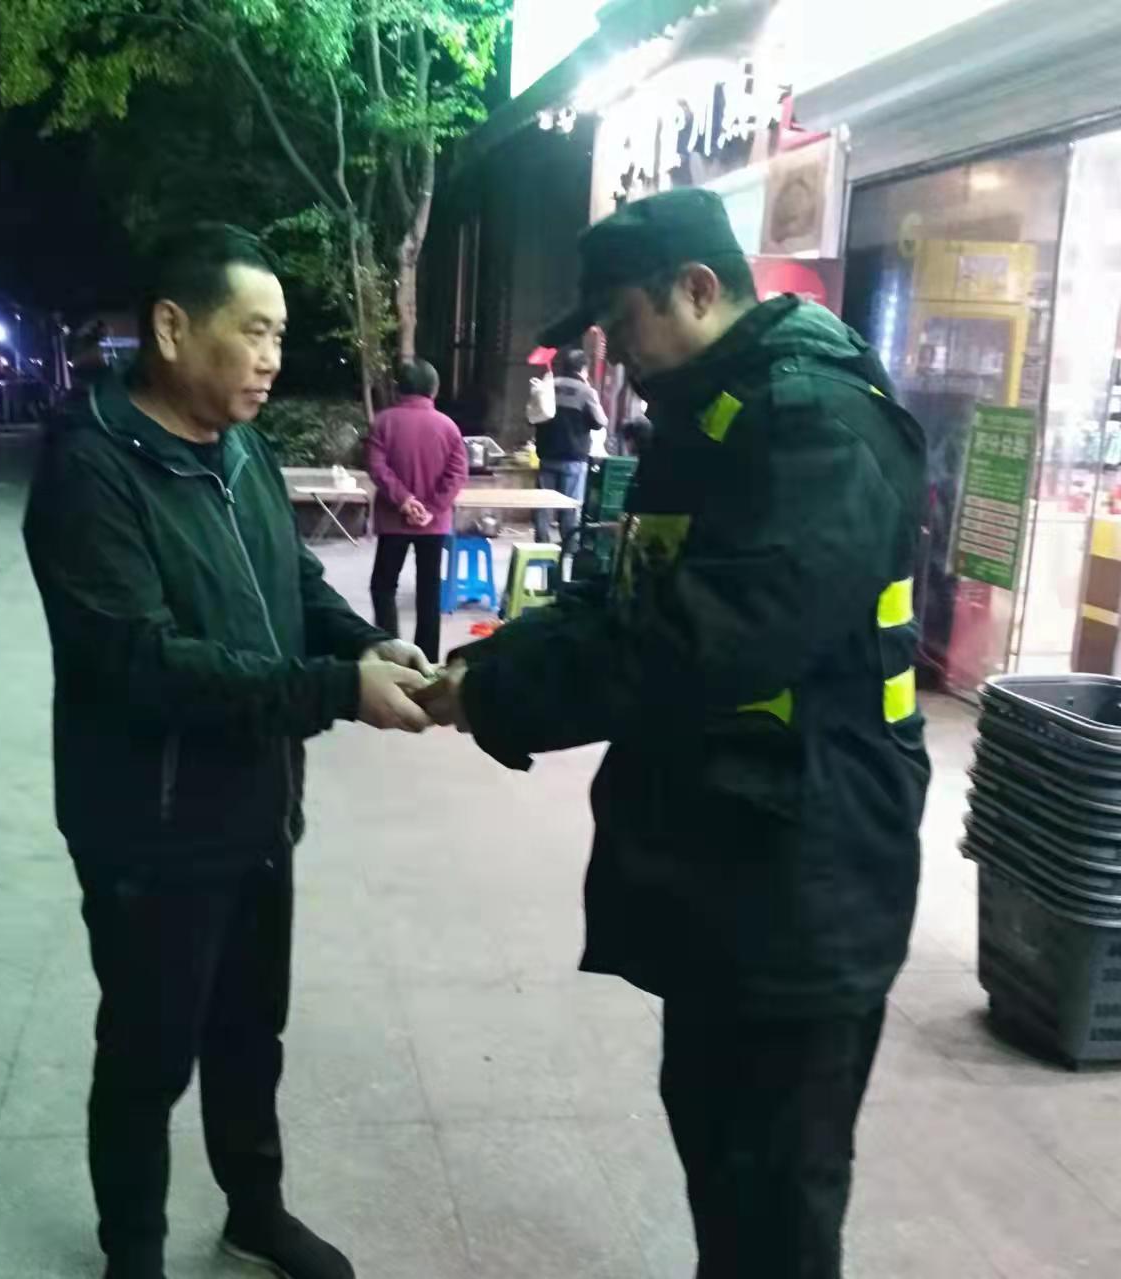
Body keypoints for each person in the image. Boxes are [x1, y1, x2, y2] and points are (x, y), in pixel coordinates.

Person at [416, 187, 930, 1279]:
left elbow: (704, 642)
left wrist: (502, 699)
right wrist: (489, 664)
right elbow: (629, 592)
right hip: (733, 868)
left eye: (625, 322)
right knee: (718, 1145)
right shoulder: (716, 416)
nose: (617, 354)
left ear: (697, 289)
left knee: (773, 1193)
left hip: (807, 875)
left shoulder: (815, 424)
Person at [23, 222, 434, 1279]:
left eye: (279, 335)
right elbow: (141, 663)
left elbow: (292, 581)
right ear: (172, 327)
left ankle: (254, 1209)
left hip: (256, 805)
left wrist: (362, 642)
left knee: (251, 1032)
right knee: (148, 1053)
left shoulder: (240, 448)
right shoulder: (91, 468)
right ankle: (134, 1252)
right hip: (150, 827)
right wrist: (335, 691)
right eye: (252, 331)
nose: (271, 358)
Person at [365, 358, 468, 663]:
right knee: (429, 590)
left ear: (400, 389)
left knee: (383, 586)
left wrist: (404, 500)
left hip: (393, 521)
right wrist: (432, 508)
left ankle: (390, 652)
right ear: (433, 390)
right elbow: (457, 473)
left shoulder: (383, 422)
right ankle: (427, 660)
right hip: (433, 525)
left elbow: (376, 466)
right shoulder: (448, 427)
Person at [531, 347, 606, 551]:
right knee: (570, 506)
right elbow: (600, 422)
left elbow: (534, 416)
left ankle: (541, 544)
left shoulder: (547, 386)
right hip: (574, 459)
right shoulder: (586, 391)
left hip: (547, 455)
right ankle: (569, 547)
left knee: (543, 505)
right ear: (583, 368)